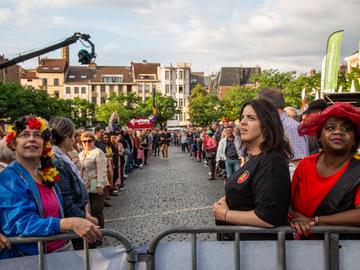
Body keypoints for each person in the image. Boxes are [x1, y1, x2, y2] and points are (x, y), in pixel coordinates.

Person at [0, 116, 101, 259]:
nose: (31, 139)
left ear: (44, 143)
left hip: (63, 253)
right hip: (32, 259)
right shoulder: (8, 179)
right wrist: (68, 223)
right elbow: (22, 224)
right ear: (13, 144)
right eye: (24, 135)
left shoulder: (47, 174)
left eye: (37, 135)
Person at [212, 99, 292, 230]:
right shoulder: (257, 157)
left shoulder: (271, 161)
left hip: (257, 246)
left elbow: (269, 217)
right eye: (242, 117)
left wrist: (225, 214)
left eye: (251, 118)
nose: (242, 122)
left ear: (267, 124)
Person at [290, 102, 360, 236]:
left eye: (346, 129)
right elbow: (287, 201)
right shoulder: (305, 165)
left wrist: (316, 221)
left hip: (345, 249)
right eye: (330, 127)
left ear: (354, 141)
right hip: (301, 248)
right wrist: (295, 216)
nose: (338, 132)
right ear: (320, 138)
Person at [257, 87, 308, 162]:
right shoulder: (278, 125)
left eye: (260, 108)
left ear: (267, 106)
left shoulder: (290, 127)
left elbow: (298, 164)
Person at [79, 132, 108, 229]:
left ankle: (100, 233)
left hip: (97, 185)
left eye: (89, 141)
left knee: (96, 210)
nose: (87, 143)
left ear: (93, 141)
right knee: (88, 212)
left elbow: (102, 169)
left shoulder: (98, 152)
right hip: (85, 185)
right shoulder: (80, 154)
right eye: (84, 141)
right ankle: (92, 234)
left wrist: (100, 185)